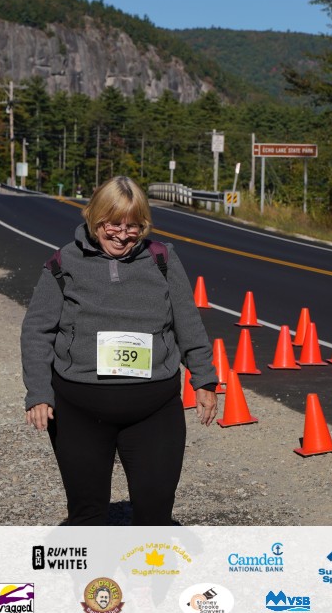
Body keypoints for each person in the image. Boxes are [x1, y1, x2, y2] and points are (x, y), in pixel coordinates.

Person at [21, 176, 218, 525]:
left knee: (155, 512)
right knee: (87, 514)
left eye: (133, 226)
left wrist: (204, 379)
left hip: (153, 410)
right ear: (94, 218)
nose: (122, 235)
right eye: (112, 224)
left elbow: (187, 322)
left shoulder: (162, 259)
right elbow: (37, 331)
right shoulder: (63, 263)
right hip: (79, 411)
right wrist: (38, 393)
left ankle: (146, 562)